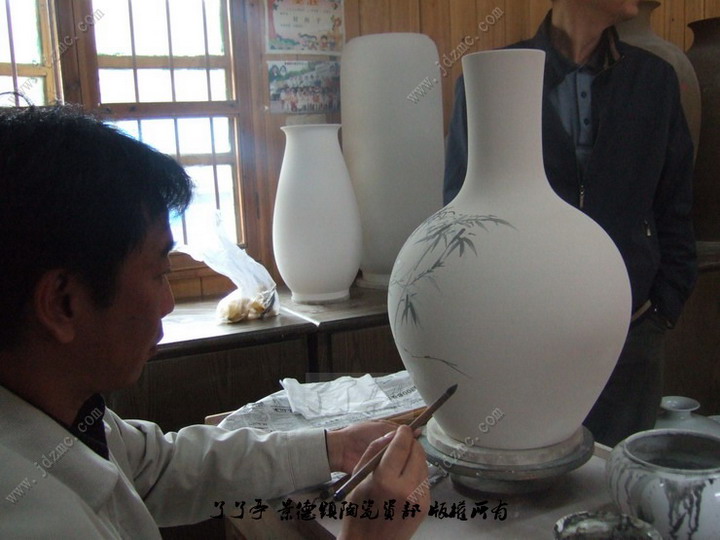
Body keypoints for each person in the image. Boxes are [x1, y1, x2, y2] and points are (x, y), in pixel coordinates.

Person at [0, 105, 429, 538]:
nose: (167, 303)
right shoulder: (29, 517)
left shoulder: (67, 415)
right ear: (62, 304)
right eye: (159, 273)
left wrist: (335, 446)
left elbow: (161, 467)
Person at [443, 0, 697, 447]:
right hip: (523, 339)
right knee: (534, 478)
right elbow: (461, 215)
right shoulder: (492, 79)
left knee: (618, 479)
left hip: (631, 332)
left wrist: (663, 308)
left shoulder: (654, 79)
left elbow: (675, 203)